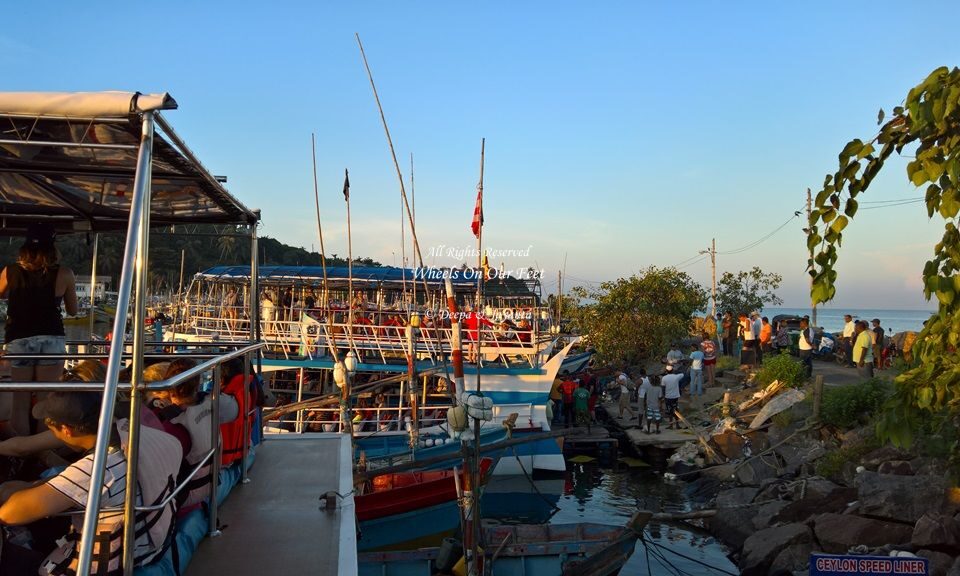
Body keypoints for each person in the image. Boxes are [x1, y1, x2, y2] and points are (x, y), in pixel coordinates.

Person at [0, 390, 182, 575]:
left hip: (120, 562)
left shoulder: (99, 469)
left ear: (66, 430)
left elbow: (9, 514)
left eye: (51, 427)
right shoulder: (138, 434)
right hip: (152, 541)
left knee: (14, 559)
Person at [0, 223, 79, 437]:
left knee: (20, 402)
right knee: (46, 401)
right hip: (51, 338)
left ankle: (22, 454)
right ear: (52, 247)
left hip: (18, 338)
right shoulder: (64, 273)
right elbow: (73, 310)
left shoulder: (10, 271)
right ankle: (41, 454)